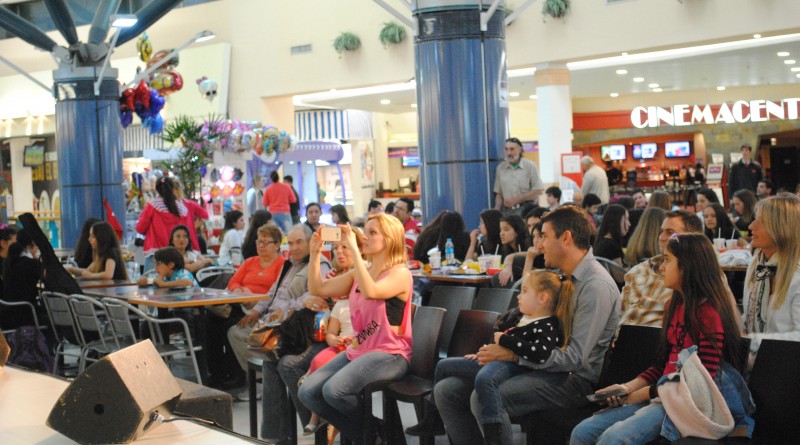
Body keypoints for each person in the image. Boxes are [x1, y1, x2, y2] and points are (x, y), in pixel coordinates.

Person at [434, 206, 620, 444]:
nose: (539, 245)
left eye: (544, 236)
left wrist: (514, 355)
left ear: (566, 238)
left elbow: (574, 359)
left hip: (574, 380)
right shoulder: (561, 275)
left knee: (483, 398)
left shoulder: (595, 286)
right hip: (539, 363)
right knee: (447, 390)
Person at [570, 233, 747, 445]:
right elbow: (662, 366)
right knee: (582, 431)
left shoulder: (708, 315)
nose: (661, 267)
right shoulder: (674, 306)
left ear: (688, 266)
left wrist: (640, 395)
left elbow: (701, 385)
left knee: (613, 438)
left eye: (667, 260)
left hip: (685, 405)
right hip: (660, 396)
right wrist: (626, 388)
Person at [299, 214, 413, 444]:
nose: (365, 237)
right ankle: (377, 432)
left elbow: (372, 291)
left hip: (390, 354)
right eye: (365, 232)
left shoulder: (400, 273)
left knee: (334, 390)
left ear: (389, 239)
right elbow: (318, 288)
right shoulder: (359, 272)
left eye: (373, 233)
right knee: (307, 392)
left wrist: (354, 248)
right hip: (360, 349)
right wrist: (314, 253)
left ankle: (371, 436)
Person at [424, 269, 574, 443]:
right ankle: (433, 418)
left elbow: (540, 353)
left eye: (525, 291)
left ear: (542, 298)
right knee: (443, 366)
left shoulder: (547, 325)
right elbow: (499, 345)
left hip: (513, 366)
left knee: (485, 379)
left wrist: (505, 340)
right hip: (498, 361)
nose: (518, 296)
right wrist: (482, 352)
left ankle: (493, 431)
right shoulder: (524, 318)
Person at [227, 224, 331, 440]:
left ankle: (290, 431)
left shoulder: (319, 263)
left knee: (277, 361)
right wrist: (257, 312)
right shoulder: (289, 265)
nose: (294, 247)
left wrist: (285, 311)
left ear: (311, 241)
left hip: (300, 330)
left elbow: (315, 295)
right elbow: (271, 294)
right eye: (290, 243)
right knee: (263, 353)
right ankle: (282, 434)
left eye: (299, 242)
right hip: (278, 326)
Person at [299, 234, 364, 441]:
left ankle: (356, 428)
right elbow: (316, 291)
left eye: (345, 247)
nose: (339, 252)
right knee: (290, 367)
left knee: (326, 386)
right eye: (336, 248)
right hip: (334, 335)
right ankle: (322, 421)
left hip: (357, 343)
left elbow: (375, 325)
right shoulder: (336, 274)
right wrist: (315, 254)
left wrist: (356, 339)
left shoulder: (366, 276)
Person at [206, 223, 286, 389]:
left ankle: (240, 376)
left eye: (265, 242)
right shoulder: (250, 262)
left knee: (229, 327)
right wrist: (241, 291)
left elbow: (277, 293)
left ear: (277, 245)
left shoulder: (282, 265)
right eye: (259, 241)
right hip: (239, 303)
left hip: (262, 310)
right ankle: (217, 374)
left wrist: (253, 299)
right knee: (209, 324)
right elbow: (233, 281)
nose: (261, 245)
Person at [619, 210, 704, 327]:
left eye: (670, 233)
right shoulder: (639, 270)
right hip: (623, 335)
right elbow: (619, 313)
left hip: (661, 336)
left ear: (690, 239)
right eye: (661, 231)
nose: (661, 237)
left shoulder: (698, 275)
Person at [743, 193, 800, 360]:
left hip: (789, 366)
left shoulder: (797, 275)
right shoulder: (757, 265)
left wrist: (751, 340)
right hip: (756, 361)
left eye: (761, 221)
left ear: (781, 229)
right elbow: (749, 317)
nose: (751, 226)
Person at [136, 177, 202, 250]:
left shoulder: (152, 206)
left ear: (157, 189)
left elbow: (140, 228)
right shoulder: (182, 208)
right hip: (177, 251)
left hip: (155, 251)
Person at [1, 228, 44, 330]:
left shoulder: (7, 262)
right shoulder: (31, 264)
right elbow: (51, 277)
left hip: (6, 314)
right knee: (55, 319)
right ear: (31, 245)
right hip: (26, 315)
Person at [493, 137, 544, 215]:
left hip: (527, 210)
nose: (509, 153)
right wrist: (496, 211)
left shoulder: (529, 166)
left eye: (512, 149)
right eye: (506, 149)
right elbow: (499, 193)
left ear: (520, 150)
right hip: (508, 212)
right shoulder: (501, 168)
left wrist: (517, 199)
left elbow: (538, 190)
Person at [494, 214, 532, 287]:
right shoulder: (506, 249)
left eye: (506, 229)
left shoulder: (528, 245)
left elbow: (531, 253)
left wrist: (509, 260)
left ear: (517, 231)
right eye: (500, 230)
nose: (501, 233)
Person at [593, 204, 630, 269]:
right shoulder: (611, 246)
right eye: (626, 219)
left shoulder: (602, 241)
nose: (629, 224)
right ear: (617, 220)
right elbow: (619, 274)